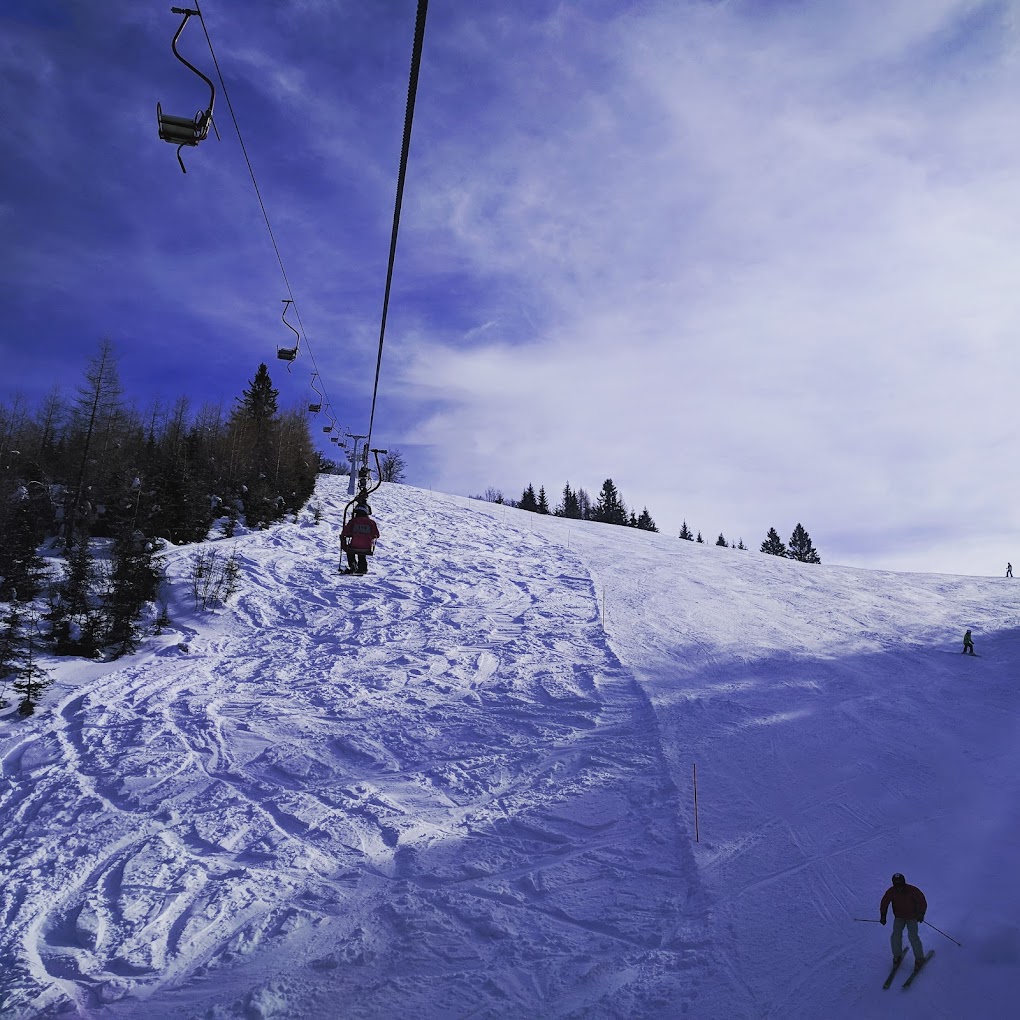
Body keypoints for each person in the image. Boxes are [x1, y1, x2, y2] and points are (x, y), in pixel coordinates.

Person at [880, 873, 927, 969]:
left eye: (900, 885)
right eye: (896, 885)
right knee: (895, 936)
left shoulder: (912, 890)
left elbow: (922, 901)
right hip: (899, 917)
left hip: (912, 917)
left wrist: (921, 913)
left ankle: (920, 958)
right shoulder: (891, 891)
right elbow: (884, 902)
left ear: (904, 883)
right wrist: (883, 915)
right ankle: (897, 955)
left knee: (913, 936)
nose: (899, 888)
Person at [340, 504, 380, 574]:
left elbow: (345, 533)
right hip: (366, 546)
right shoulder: (371, 523)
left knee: (350, 550)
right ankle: (362, 568)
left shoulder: (353, 521)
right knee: (362, 553)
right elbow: (376, 534)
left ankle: (353, 565)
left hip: (354, 545)